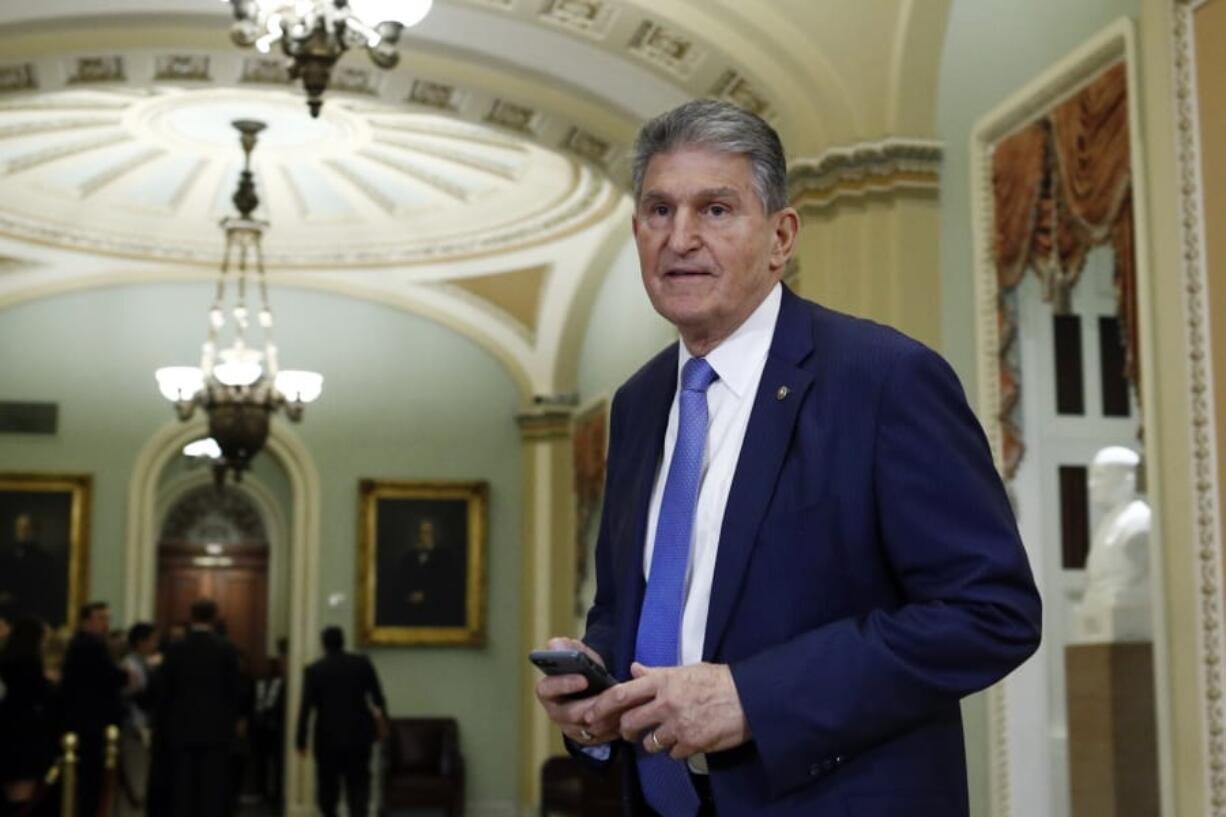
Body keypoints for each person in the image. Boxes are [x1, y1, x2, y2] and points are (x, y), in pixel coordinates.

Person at [534, 99, 1042, 817]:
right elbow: (627, 607)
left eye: (715, 210)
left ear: (781, 236)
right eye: (659, 210)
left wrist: (753, 696)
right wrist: (593, 689)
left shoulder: (884, 379)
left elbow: (992, 613)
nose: (680, 237)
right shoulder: (639, 402)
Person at [156, 599, 241, 817]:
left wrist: (164, 726)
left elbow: (164, 691)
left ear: (191, 617)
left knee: (183, 792)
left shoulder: (175, 649)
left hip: (181, 732)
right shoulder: (227, 649)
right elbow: (234, 691)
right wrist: (233, 724)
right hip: (216, 732)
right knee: (212, 792)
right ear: (214, 617)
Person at [295, 627, 388, 817]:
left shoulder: (314, 671)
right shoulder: (362, 664)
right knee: (359, 786)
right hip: (359, 736)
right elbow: (378, 698)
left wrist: (301, 740)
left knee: (328, 789)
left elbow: (306, 709)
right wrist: (383, 723)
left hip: (328, 738)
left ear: (324, 644)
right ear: (343, 641)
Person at [61, 601, 129, 817]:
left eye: (107, 618)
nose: (105, 623)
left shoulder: (86, 644)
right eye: (101, 618)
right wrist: (125, 676)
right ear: (86, 620)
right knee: (90, 783)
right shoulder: (90, 645)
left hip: (87, 721)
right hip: (91, 723)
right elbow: (108, 677)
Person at [0, 616, 60, 817]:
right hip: (25, 733)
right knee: (24, 794)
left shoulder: (8, 660)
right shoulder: (28, 662)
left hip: (9, 728)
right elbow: (40, 693)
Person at [116, 622, 159, 817]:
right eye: (152, 640)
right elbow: (132, 695)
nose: (155, 644)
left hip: (142, 726)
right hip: (134, 728)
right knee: (135, 782)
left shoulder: (144, 663)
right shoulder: (130, 665)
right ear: (141, 642)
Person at [0, 513, 66, 629]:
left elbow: (45, 590)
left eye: (25, 528)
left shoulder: (44, 559)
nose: (21, 532)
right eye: (19, 528)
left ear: (34, 531)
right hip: (8, 616)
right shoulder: (7, 555)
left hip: (32, 615)